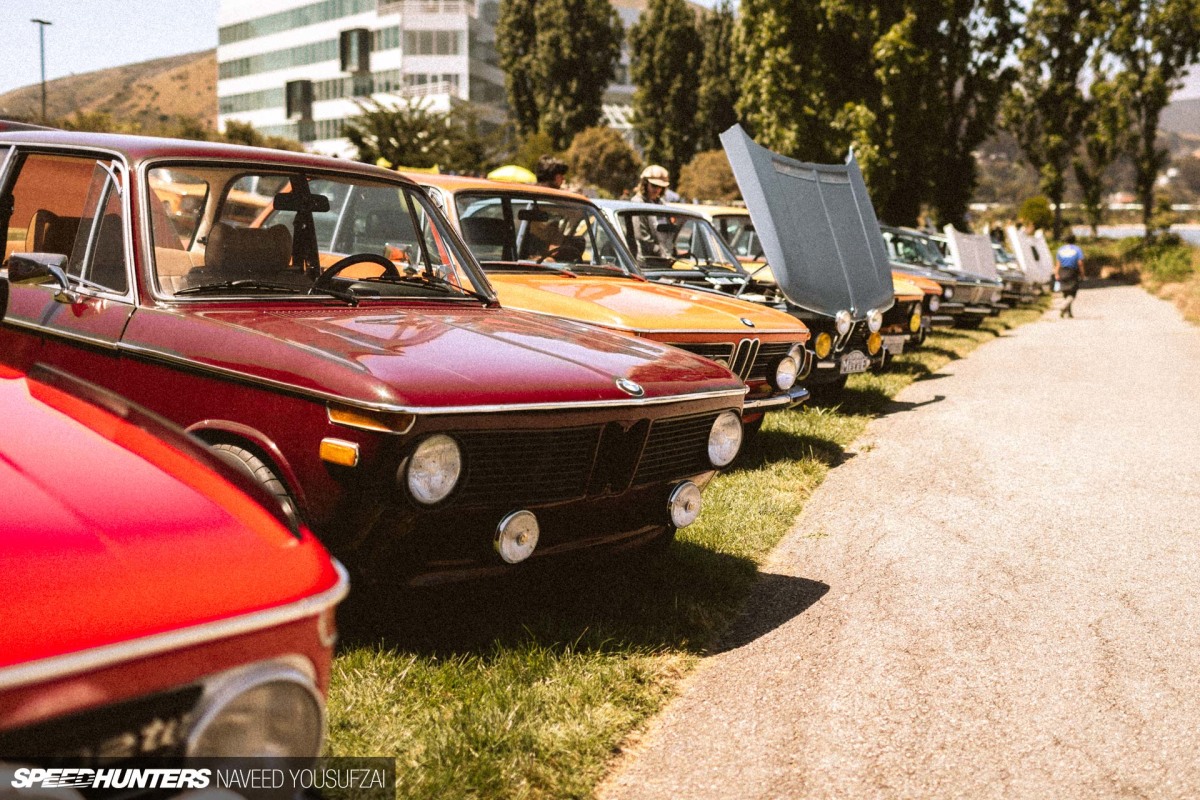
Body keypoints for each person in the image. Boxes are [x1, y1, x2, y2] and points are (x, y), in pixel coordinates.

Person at [630, 165, 674, 259]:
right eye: (654, 185)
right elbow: (641, 235)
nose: (657, 189)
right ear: (645, 184)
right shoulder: (638, 203)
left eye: (660, 186)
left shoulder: (662, 204)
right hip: (645, 260)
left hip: (663, 258)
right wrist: (659, 252)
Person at [1055, 233, 1085, 318]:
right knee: (1072, 293)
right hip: (1072, 272)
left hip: (1062, 271)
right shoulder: (1077, 249)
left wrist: (1056, 273)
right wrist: (1082, 274)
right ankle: (1063, 306)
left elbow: (1058, 263)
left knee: (1065, 293)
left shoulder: (1060, 250)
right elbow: (1080, 263)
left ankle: (1068, 313)